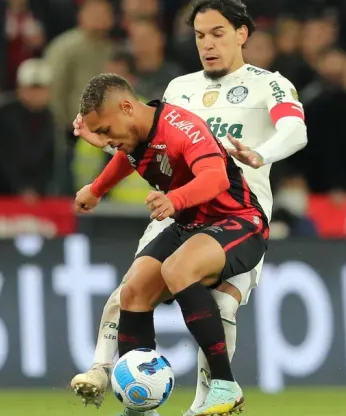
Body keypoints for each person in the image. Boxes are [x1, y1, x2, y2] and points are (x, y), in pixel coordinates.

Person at [70, 1, 308, 415]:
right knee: (133, 287)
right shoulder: (180, 88)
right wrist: (100, 176)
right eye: (200, 36)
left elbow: (295, 129)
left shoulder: (268, 84)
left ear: (241, 34)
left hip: (236, 212)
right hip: (180, 212)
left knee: (220, 303)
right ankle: (119, 382)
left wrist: (261, 154)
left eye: (217, 33)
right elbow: (143, 143)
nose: (208, 44)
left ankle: (210, 399)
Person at [74, 73, 267, 416]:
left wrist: (175, 199)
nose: (104, 141)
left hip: (237, 221)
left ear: (126, 107)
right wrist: (97, 189)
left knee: (177, 268)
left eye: (105, 131)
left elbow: (216, 177)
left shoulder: (181, 127)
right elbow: (128, 157)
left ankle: (225, 386)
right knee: (132, 292)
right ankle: (141, 407)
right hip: (191, 225)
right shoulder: (136, 135)